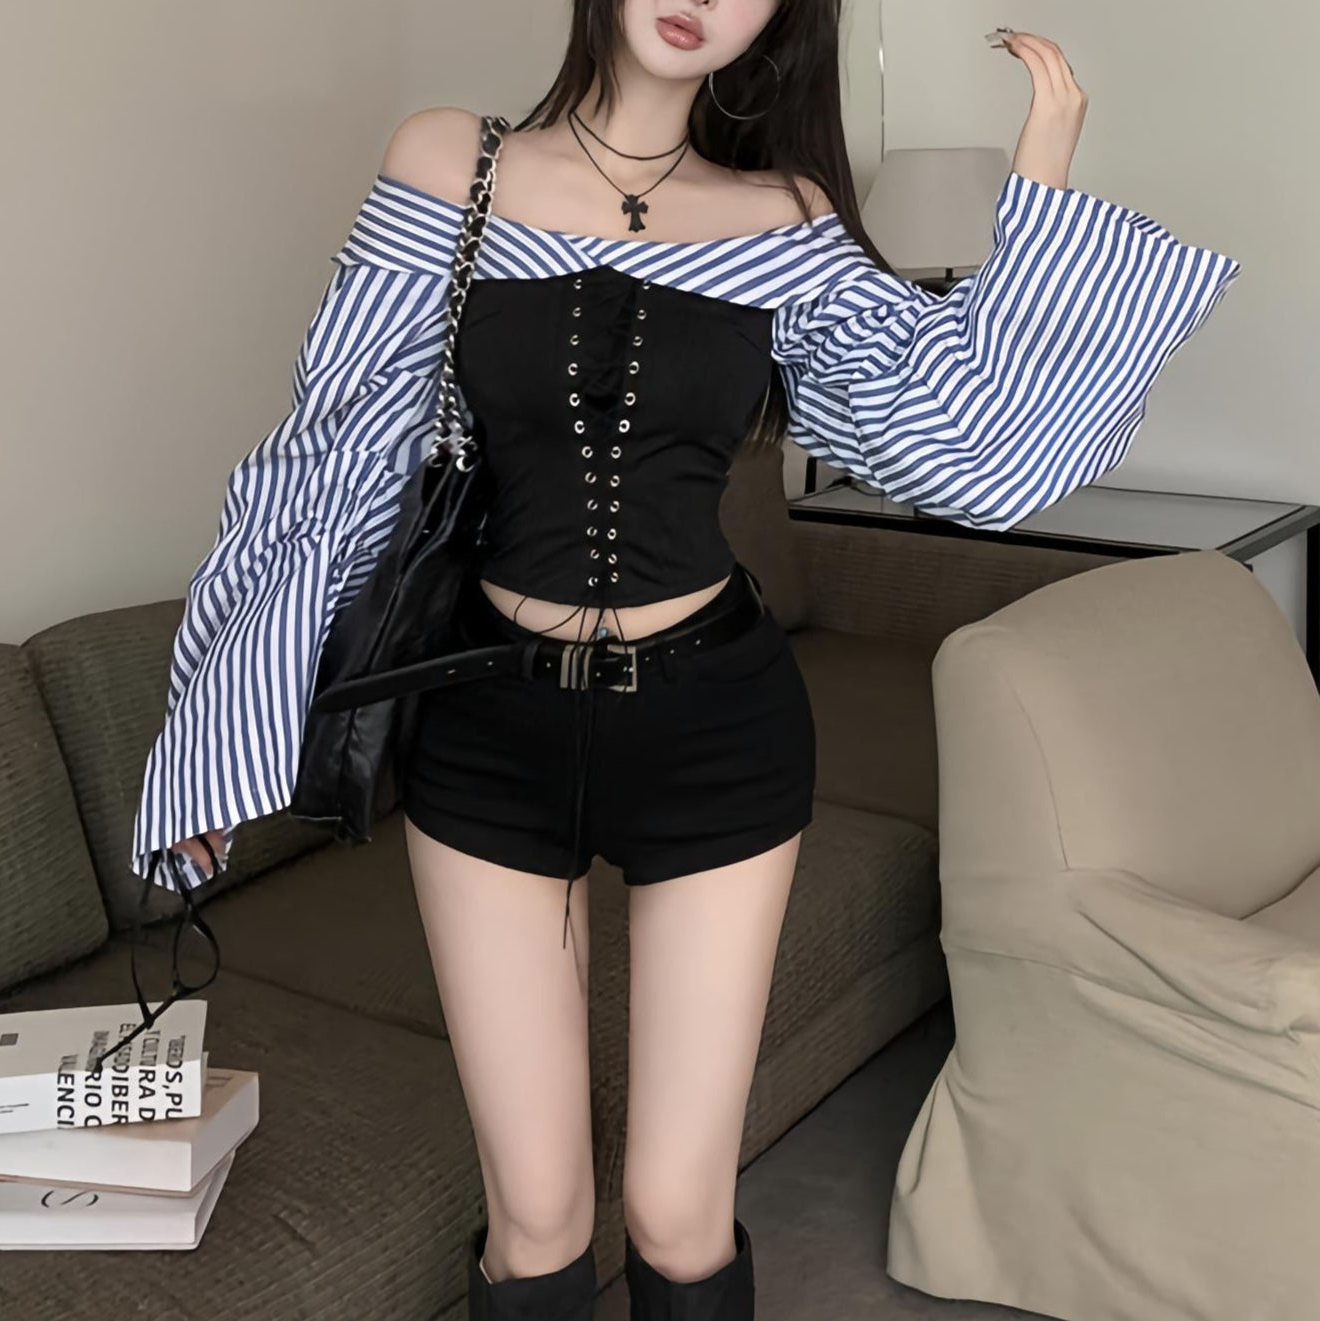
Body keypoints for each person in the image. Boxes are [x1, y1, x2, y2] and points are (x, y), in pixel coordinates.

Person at [125, 2, 1242, 1316]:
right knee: (537, 1219)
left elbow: (967, 451)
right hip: (487, 731)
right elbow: (335, 456)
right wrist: (215, 733)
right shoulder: (448, 162)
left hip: (718, 727)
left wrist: (1041, 172)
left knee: (676, 1212)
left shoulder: (785, 215)